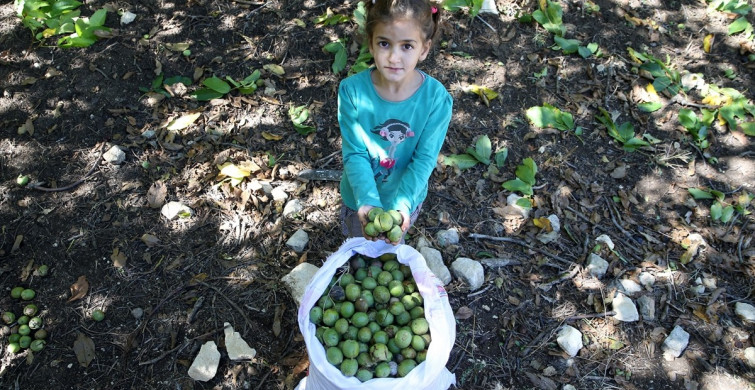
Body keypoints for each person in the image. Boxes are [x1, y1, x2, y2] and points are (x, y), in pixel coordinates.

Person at [338, 0, 453, 244]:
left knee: (391, 249)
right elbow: (355, 153)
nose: (393, 57)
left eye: (407, 46)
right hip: (358, 196)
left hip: (405, 200)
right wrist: (367, 200)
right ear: (370, 43)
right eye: (384, 43)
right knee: (358, 246)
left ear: (424, 49)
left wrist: (402, 205)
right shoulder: (352, 91)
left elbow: (424, 159)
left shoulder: (435, 99)